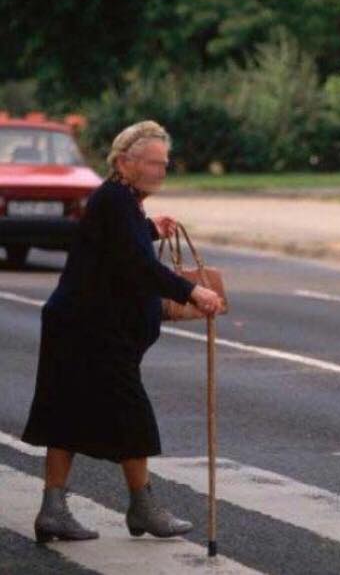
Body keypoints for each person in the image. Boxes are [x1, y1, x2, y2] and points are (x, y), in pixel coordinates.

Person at [21, 121, 224, 543]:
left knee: (66, 415)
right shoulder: (115, 200)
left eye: (164, 163)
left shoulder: (120, 201)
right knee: (131, 417)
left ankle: (54, 510)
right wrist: (192, 291)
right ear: (125, 162)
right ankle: (142, 508)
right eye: (153, 163)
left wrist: (149, 229)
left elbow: (114, 246)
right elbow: (137, 265)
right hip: (91, 332)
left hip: (81, 327)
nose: (161, 171)